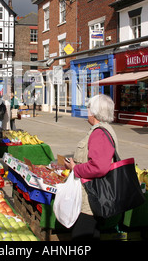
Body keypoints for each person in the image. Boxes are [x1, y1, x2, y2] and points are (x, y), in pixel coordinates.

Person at [64, 94, 119, 240]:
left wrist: (75, 168)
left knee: (81, 236)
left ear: (94, 112)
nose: (87, 111)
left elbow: (99, 167)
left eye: (88, 108)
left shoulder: (99, 133)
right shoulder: (102, 130)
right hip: (94, 196)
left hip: (91, 198)